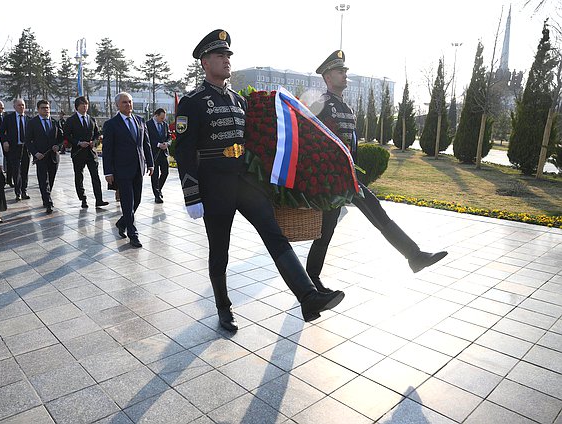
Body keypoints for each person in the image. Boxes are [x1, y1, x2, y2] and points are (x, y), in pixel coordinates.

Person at [175, 29, 345, 332]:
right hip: (215, 186)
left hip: (245, 182)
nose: (227, 60)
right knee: (220, 249)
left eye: (228, 55)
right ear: (204, 62)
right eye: (219, 55)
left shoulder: (240, 101)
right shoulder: (193, 102)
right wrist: (192, 195)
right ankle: (223, 307)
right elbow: (185, 151)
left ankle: (307, 296)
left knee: (274, 233)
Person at [306, 50, 448, 292]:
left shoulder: (346, 107)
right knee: (326, 231)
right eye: (340, 71)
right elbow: (310, 141)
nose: (345, 75)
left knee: (377, 213)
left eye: (345, 71)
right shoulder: (321, 104)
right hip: (330, 181)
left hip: (347, 177)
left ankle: (414, 256)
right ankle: (311, 280)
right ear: (328, 76)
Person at [103, 92, 154, 248]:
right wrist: (108, 172)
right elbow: (107, 149)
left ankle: (122, 222)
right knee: (127, 201)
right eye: (124, 102)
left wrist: (150, 163)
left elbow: (146, 144)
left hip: (139, 167)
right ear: (117, 105)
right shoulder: (111, 124)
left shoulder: (140, 121)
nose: (128, 105)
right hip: (122, 169)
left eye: (130, 102)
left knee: (136, 200)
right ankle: (133, 234)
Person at [63, 96, 108, 209]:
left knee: (95, 176)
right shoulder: (71, 120)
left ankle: (99, 199)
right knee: (79, 176)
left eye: (86, 104)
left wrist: (95, 141)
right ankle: (83, 199)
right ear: (77, 106)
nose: (85, 106)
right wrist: (78, 143)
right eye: (82, 104)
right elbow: (67, 135)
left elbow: (98, 134)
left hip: (91, 152)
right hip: (78, 152)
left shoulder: (91, 119)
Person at [25, 100, 62, 214]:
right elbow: (28, 140)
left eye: (47, 107)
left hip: (53, 156)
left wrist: (58, 146)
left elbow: (61, 138)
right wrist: (35, 153)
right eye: (43, 108)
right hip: (40, 157)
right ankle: (48, 202)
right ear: (38, 109)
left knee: (50, 179)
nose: (46, 110)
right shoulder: (32, 123)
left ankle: (46, 197)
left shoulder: (55, 122)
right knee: (43, 180)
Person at [146, 108, 171, 203]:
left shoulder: (165, 124)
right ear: (156, 115)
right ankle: (156, 195)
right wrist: (158, 144)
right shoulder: (148, 124)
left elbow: (169, 137)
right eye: (161, 118)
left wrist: (167, 144)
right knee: (154, 175)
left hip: (164, 153)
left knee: (165, 172)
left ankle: (159, 189)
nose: (163, 120)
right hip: (153, 154)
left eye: (164, 118)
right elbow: (147, 139)